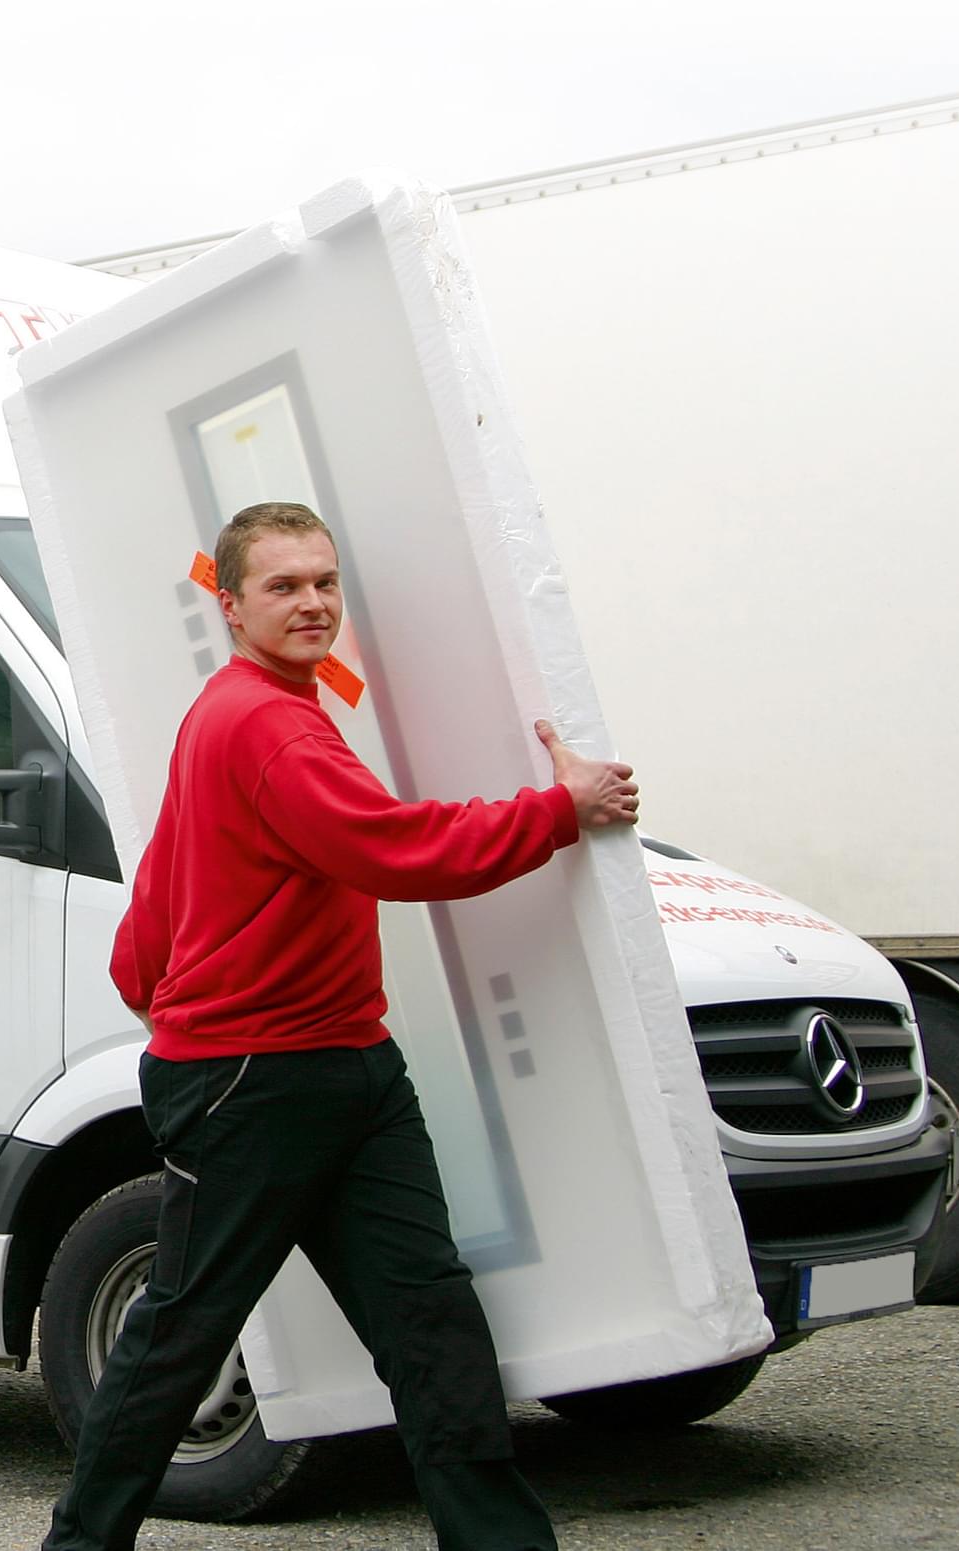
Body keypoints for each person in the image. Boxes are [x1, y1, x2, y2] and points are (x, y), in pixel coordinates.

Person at [41, 501, 639, 1551]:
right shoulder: (266, 726)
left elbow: (168, 878)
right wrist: (558, 810)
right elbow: (394, 849)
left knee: (428, 1318)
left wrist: (144, 979)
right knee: (183, 1333)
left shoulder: (255, 708)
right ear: (230, 606)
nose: (311, 602)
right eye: (282, 586)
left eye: (323, 581)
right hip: (252, 1080)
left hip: (349, 1062)